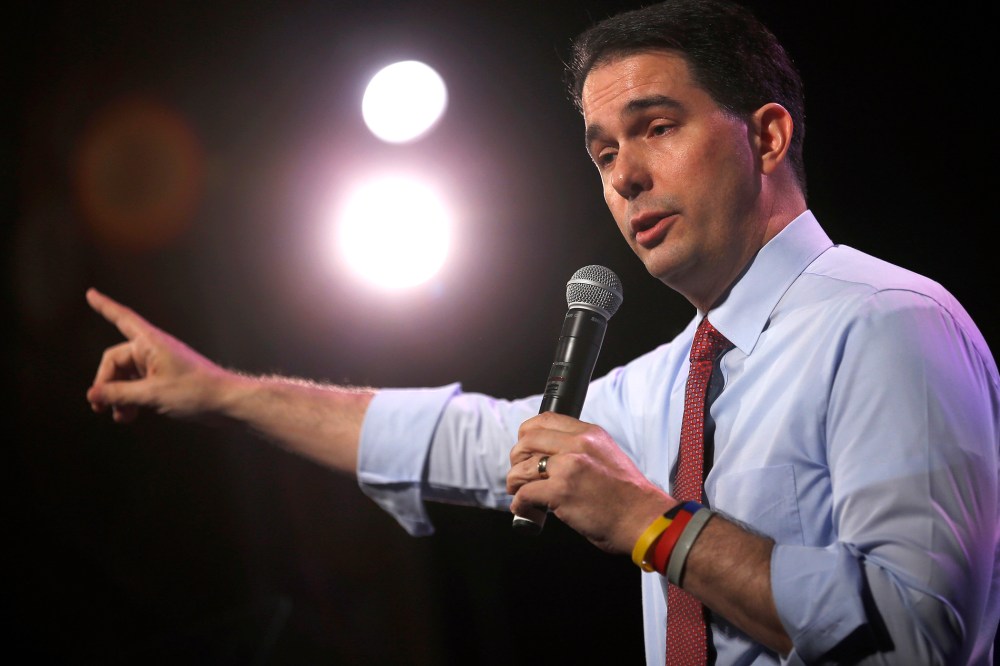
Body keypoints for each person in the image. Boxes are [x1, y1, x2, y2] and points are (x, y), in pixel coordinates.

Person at [86, 0, 999, 663]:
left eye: (656, 128)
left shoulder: (886, 324)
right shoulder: (664, 386)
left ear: (765, 137)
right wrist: (216, 391)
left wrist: (651, 523)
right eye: (604, 152)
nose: (625, 177)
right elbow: (455, 437)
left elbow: (920, 636)